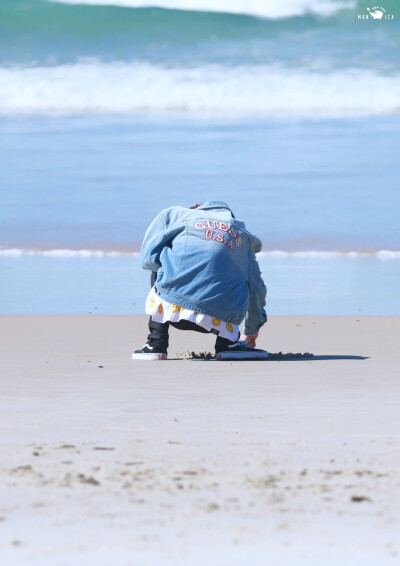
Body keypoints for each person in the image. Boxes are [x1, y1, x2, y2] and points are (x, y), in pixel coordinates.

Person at [132, 201, 268, 360]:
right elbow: (256, 286)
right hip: (219, 320)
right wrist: (252, 328)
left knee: (163, 262)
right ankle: (228, 344)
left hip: (171, 310)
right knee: (239, 271)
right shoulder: (240, 232)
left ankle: (156, 342)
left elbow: (147, 259)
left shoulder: (177, 215)